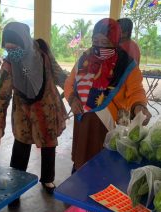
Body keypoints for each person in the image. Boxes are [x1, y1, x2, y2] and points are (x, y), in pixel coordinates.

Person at [0, 22, 67, 197]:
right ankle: (15, 185)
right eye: (8, 49)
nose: (12, 53)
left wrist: (75, 94)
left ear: (24, 41)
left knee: (49, 144)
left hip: (47, 109)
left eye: (15, 47)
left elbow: (59, 75)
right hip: (23, 114)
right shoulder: (9, 65)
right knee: (20, 148)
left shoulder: (43, 54)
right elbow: (3, 97)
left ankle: (47, 179)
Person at [64, 18, 151, 172]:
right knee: (81, 162)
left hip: (108, 125)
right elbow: (70, 83)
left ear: (115, 41)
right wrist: (72, 99)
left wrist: (139, 106)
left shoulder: (126, 64)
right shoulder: (85, 58)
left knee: (103, 166)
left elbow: (136, 90)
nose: (98, 46)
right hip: (83, 121)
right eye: (95, 40)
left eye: (104, 42)